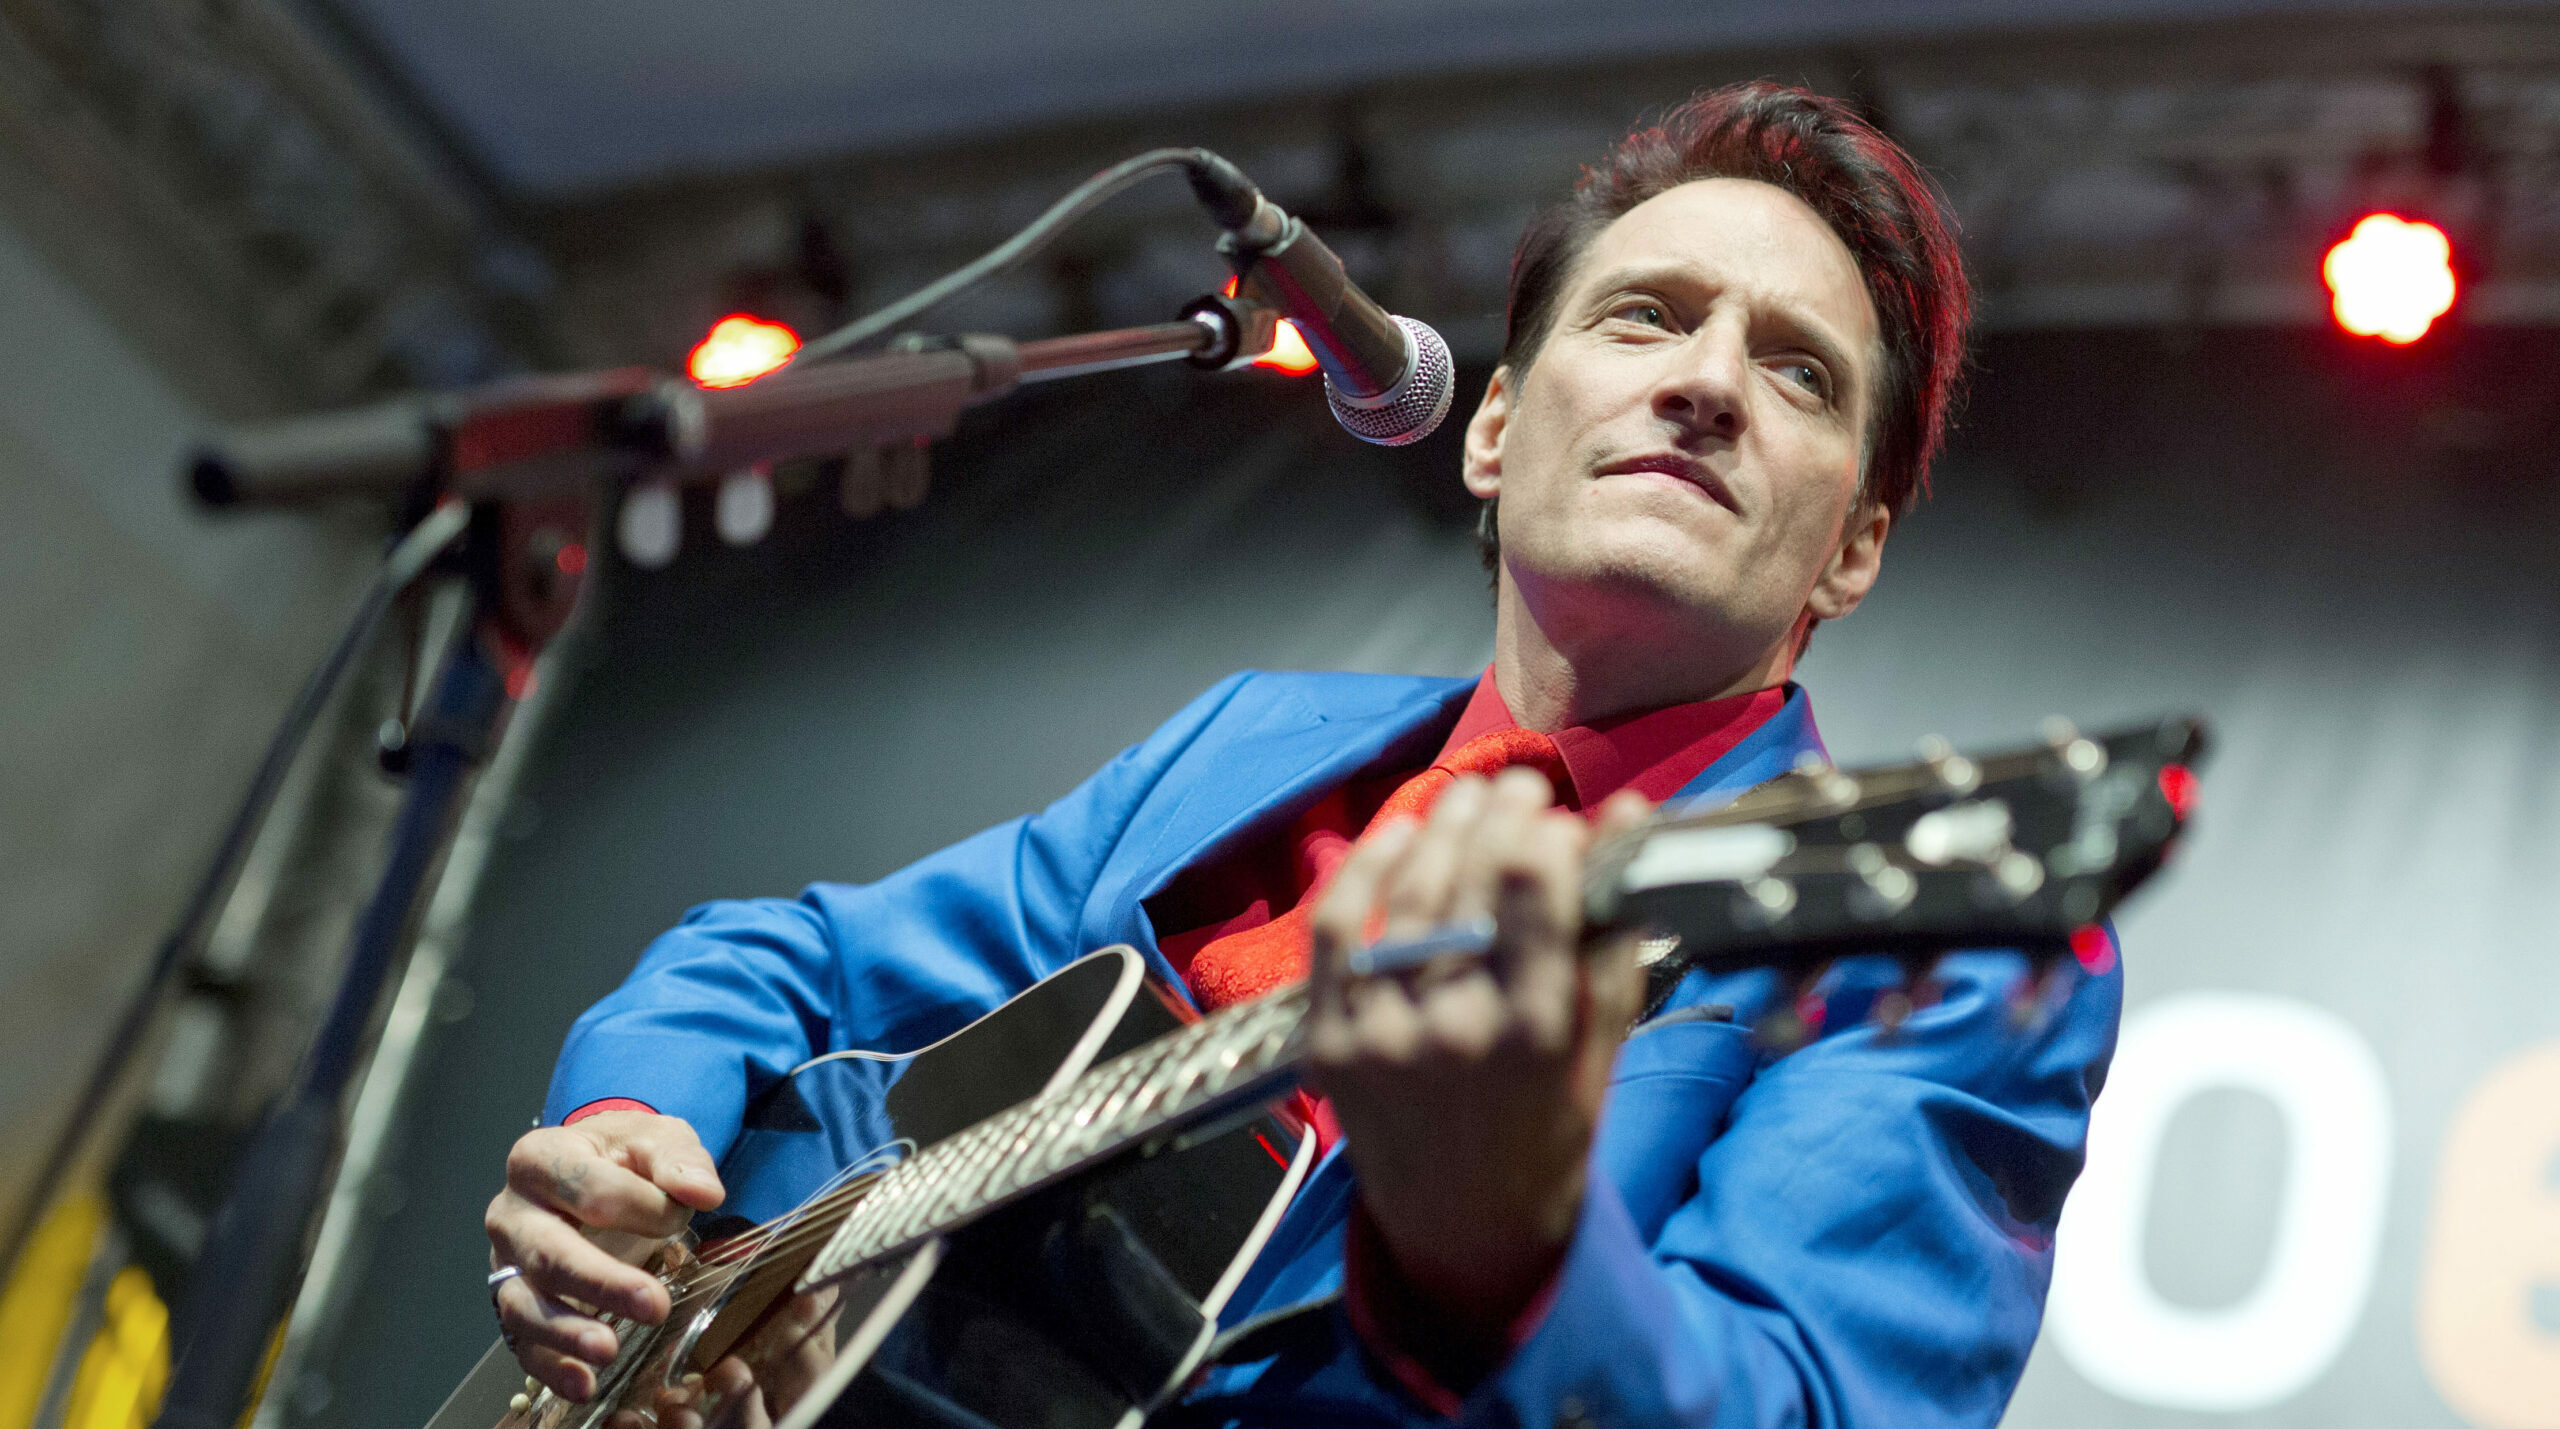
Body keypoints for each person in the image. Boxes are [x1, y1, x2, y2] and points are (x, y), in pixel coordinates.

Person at [482, 82, 2115, 1428]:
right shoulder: (1254, 739)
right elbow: (785, 960)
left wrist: (1506, 1248)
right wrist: (631, 1134)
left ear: (1853, 548)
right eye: (1648, 316)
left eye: (1797, 370)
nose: (1705, 384)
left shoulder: (1945, 947)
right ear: (1493, 429)